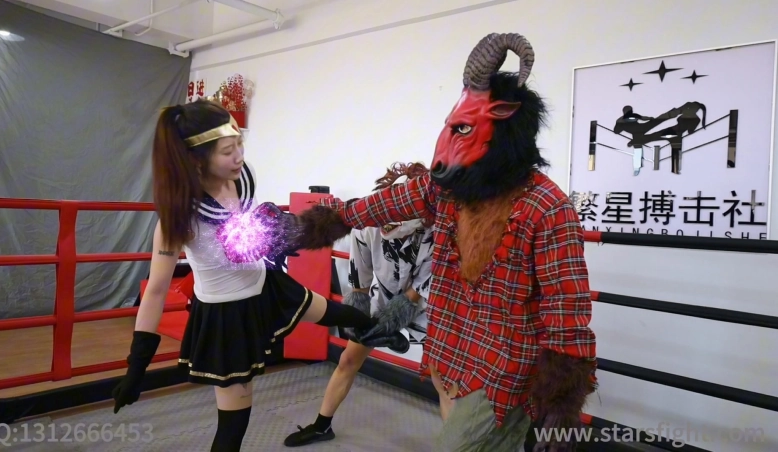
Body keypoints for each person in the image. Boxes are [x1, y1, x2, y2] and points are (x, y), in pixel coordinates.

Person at [294, 33, 598, 452]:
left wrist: (560, 401)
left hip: (504, 365)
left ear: (502, 121)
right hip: (452, 343)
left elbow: (566, 306)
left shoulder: (547, 208)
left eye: (463, 129)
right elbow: (387, 203)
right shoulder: (451, 191)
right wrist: (326, 222)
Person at [110, 100, 377, 452]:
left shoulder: (240, 180)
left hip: (266, 286)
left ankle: (381, 328)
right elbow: (157, 290)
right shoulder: (180, 219)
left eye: (240, 145)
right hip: (226, 316)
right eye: (227, 151)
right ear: (196, 158)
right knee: (233, 426)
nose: (239, 157)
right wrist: (137, 366)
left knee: (337, 312)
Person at [283, 161, 435, 447]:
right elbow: (359, 284)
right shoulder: (367, 227)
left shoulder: (437, 233)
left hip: (428, 304)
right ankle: (322, 426)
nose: (390, 223)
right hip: (384, 297)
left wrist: (391, 323)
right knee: (348, 360)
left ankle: (461, 443)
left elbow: (418, 292)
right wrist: (360, 321)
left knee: (441, 376)